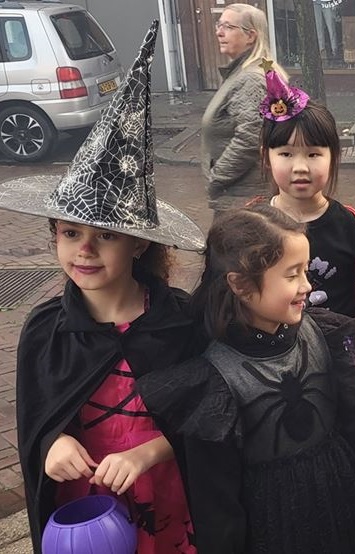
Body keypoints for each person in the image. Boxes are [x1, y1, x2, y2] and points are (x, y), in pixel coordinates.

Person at [1, 22, 206, 553]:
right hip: (85, 507)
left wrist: (147, 454)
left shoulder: (181, 320)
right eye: (70, 234)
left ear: (139, 244)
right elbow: (37, 420)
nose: (83, 250)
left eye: (105, 236)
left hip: (169, 499)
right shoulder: (47, 331)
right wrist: (51, 443)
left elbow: (207, 416)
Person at [135, 204, 355, 553]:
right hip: (268, 520)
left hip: (336, 494)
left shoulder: (320, 334)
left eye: (305, 271)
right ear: (241, 284)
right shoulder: (213, 379)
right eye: (292, 275)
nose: (306, 286)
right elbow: (215, 494)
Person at [254, 66, 355, 415]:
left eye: (313, 154)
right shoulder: (250, 229)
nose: (300, 167)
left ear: (333, 157)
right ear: (265, 156)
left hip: (348, 374)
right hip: (275, 374)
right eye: (286, 154)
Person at [201, 3, 284, 214]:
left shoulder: (251, 79)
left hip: (243, 201)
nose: (219, 32)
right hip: (238, 198)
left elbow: (251, 137)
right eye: (219, 25)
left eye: (228, 26)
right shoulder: (244, 72)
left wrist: (217, 178)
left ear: (251, 36)